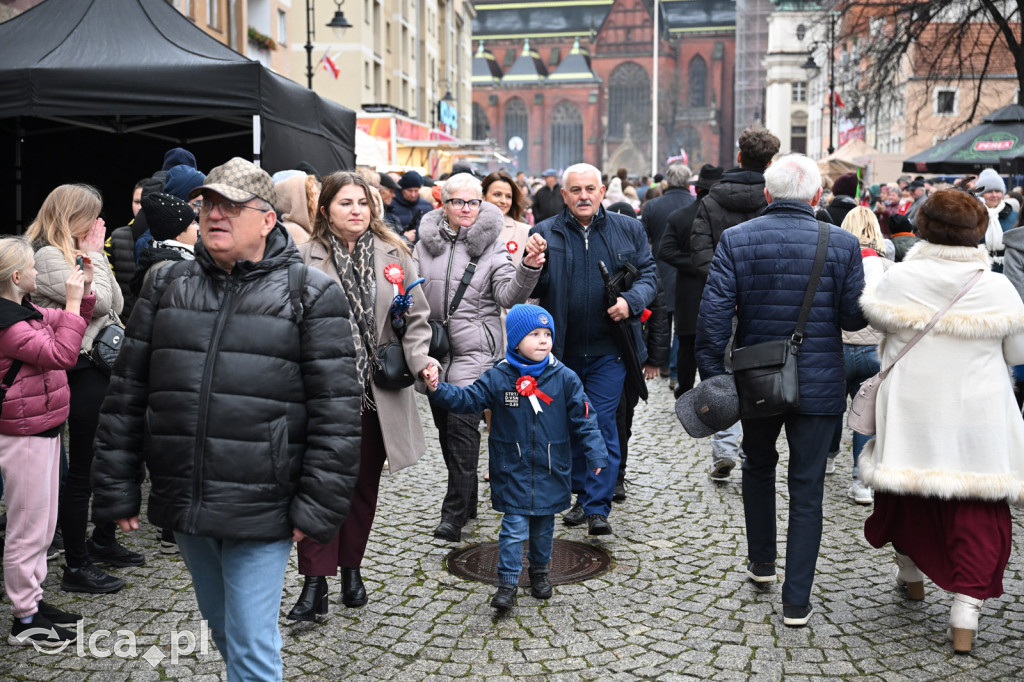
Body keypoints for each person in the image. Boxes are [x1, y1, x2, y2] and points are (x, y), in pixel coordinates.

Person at [90, 157, 362, 680]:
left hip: (264, 502)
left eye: (233, 206)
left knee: (253, 641)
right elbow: (126, 395)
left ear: (266, 220)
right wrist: (116, 490)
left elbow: (337, 414)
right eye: (210, 204)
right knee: (222, 627)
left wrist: (318, 508)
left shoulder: (310, 293)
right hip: (186, 498)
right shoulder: (166, 285)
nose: (217, 215)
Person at [695, 153, 867, 628]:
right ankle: (797, 601)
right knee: (808, 488)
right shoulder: (844, 244)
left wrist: (715, 373)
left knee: (758, 466)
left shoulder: (737, 239)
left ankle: (762, 563)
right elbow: (854, 318)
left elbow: (713, 317)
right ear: (817, 197)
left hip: (758, 379)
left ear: (767, 195)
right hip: (820, 382)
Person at [859, 188, 1024, 654]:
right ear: (975, 234)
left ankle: (909, 573)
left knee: (905, 493)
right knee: (976, 509)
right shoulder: (996, 286)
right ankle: (965, 613)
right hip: (979, 412)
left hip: (913, 406)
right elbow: (1018, 354)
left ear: (924, 227)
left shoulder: (899, 278)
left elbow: (880, 334)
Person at [286, 171, 435, 619]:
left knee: (361, 489)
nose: (357, 211)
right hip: (323, 391)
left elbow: (417, 319)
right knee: (318, 487)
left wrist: (422, 360)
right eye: (346, 203)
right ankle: (315, 583)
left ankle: (351, 568)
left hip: (376, 394)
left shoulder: (396, 255)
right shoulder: (301, 257)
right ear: (325, 209)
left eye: (363, 204)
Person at [426, 304, 608, 611]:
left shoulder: (565, 378)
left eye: (547, 334)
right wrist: (436, 389)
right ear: (515, 341)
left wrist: (596, 453)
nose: (542, 340)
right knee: (512, 529)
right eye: (534, 334)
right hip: (513, 466)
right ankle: (507, 583)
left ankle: (539, 573)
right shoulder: (499, 377)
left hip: (551, 466)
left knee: (543, 527)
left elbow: (584, 418)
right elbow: (468, 399)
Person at [414, 173, 545, 543]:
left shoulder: (494, 245)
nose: (467, 209)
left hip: (475, 353)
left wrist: (529, 267)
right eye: (459, 202)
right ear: (444, 203)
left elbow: (508, 296)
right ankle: (468, 499)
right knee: (446, 430)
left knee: (461, 429)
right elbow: (411, 291)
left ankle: (453, 515)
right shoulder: (424, 245)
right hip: (435, 349)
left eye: (473, 202)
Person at [529, 163, 658, 536]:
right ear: (564, 195)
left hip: (610, 351)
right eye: (576, 190)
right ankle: (584, 494)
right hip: (561, 352)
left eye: (590, 189)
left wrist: (631, 302)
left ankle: (599, 507)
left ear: (602, 192)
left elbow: (649, 274)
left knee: (601, 425)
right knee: (570, 426)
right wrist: (529, 262)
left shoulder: (628, 228)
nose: (583, 196)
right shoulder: (545, 232)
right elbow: (531, 287)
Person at [26, 184, 137, 595]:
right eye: (91, 216)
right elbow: (104, 302)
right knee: (81, 472)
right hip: (77, 371)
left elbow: (117, 301)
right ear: (71, 217)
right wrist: (94, 256)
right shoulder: (49, 256)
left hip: (92, 370)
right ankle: (77, 563)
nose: (96, 225)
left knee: (96, 463)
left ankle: (96, 545)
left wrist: (95, 257)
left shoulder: (71, 252)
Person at [0, 237, 93, 647]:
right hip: (24, 435)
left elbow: (63, 324)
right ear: (17, 277)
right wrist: (73, 305)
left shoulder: (24, 311)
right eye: (33, 268)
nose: (40, 273)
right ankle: (24, 618)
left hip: (43, 427)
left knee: (42, 524)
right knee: (27, 528)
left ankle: (33, 602)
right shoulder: (9, 325)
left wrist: (84, 291)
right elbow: (63, 353)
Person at [690, 128, 781, 481]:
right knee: (762, 374)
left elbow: (700, 256)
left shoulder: (711, 201)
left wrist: (729, 290)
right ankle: (753, 451)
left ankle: (725, 449)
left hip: (723, 304)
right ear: (771, 162)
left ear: (739, 157)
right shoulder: (774, 199)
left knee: (725, 376)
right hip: (767, 304)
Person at [825, 207, 892, 503]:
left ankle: (827, 458)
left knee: (831, 408)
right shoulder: (889, 267)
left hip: (837, 345)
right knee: (866, 414)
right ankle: (862, 481)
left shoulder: (833, 261)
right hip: (872, 348)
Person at [605, 202, 669, 501]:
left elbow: (658, 314)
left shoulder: (643, 268)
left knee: (624, 418)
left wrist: (655, 360)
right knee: (610, 417)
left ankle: (618, 474)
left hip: (635, 352)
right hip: (609, 352)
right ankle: (605, 476)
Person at [658, 164, 724, 398]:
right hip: (718, 290)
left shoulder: (681, 216)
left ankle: (685, 392)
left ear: (698, 189)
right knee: (716, 345)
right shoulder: (722, 217)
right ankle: (714, 394)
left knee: (687, 344)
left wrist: (693, 263)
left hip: (688, 290)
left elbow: (665, 251)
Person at [640, 164, 695, 390]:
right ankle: (674, 369)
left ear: (667, 182)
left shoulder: (652, 206)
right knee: (682, 328)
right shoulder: (694, 205)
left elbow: (643, 239)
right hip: (686, 273)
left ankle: (661, 362)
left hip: (658, 269)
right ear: (687, 181)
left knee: (661, 321)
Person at [974, 168, 1018, 272]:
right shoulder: (972, 217)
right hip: (981, 270)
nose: (994, 195)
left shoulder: (1015, 216)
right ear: (980, 195)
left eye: (998, 191)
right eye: (989, 191)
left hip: (1010, 270)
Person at [275, 173, 319, 246]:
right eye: (313, 195)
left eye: (317, 194)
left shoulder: (306, 228)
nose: (319, 198)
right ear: (301, 201)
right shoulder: (293, 231)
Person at [391, 171, 434, 241]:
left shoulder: (427, 206)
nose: (413, 194)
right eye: (409, 191)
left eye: (416, 191)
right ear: (402, 190)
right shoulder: (391, 206)